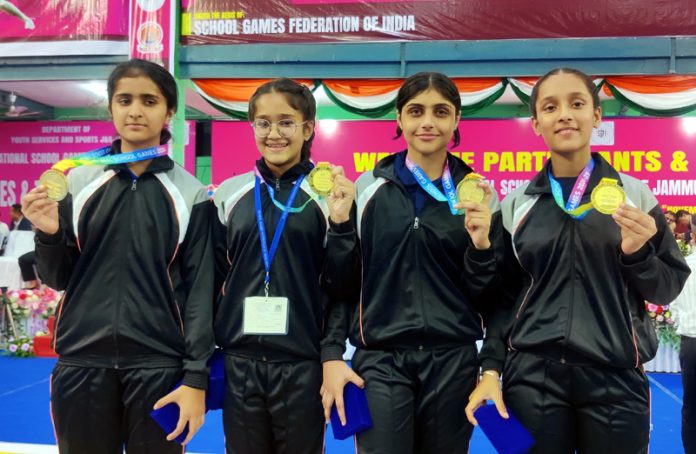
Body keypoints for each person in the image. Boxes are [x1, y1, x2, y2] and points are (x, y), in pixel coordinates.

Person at [466, 67, 691, 454]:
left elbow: (667, 287)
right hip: (533, 380)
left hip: (614, 379)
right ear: (536, 123)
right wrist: (491, 369)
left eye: (577, 103)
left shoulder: (635, 196)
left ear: (597, 116)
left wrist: (637, 256)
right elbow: (501, 301)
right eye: (551, 107)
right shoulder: (516, 205)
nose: (565, 114)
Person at [21, 58, 214, 453]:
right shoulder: (77, 181)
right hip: (82, 361)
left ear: (169, 112)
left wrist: (195, 377)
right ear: (111, 108)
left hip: (158, 366)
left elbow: (199, 294)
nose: (136, 110)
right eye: (124, 100)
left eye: (149, 100)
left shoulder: (190, 194)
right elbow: (59, 278)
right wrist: (49, 234)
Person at [322, 72, 501, 454]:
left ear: (456, 121)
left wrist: (482, 246)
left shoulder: (478, 195)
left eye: (441, 111)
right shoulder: (368, 189)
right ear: (399, 119)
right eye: (415, 111)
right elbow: (341, 284)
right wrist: (339, 226)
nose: (428, 122)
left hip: (453, 361)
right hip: (382, 361)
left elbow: (490, 296)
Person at [212, 78, 356, 454]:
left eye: (286, 122)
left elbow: (342, 287)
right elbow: (209, 281)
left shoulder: (329, 197)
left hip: (302, 364)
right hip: (240, 364)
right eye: (263, 123)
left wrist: (342, 225)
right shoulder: (230, 194)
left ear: (308, 128)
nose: (274, 133)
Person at [672, 216, 696, 454]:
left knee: (691, 406)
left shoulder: (684, 266)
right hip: (691, 341)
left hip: (691, 345)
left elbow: (674, 308)